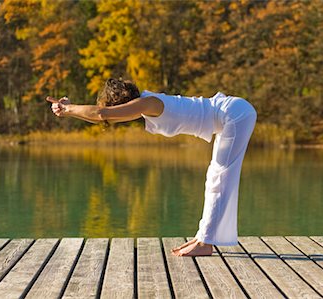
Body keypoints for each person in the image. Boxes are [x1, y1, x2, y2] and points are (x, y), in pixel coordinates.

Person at [47, 78, 257, 256]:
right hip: (231, 113)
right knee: (215, 176)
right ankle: (203, 238)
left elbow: (102, 113)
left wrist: (68, 108)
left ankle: (205, 242)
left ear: (121, 102)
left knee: (220, 175)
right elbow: (102, 116)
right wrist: (68, 112)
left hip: (235, 113)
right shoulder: (145, 107)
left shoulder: (149, 103)